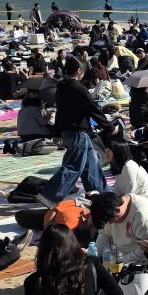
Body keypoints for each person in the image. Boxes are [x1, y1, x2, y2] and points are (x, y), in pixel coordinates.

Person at [48, 57, 109, 202]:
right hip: (77, 131)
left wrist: (57, 131)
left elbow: (60, 111)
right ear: (79, 70)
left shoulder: (61, 87)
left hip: (69, 130)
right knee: (73, 166)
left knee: (91, 162)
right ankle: (50, 195)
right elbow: (92, 109)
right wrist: (109, 126)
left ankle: (99, 192)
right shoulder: (78, 88)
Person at [89, 190, 148, 267]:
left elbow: (146, 249)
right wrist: (94, 256)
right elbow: (104, 234)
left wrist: (122, 261)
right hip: (119, 256)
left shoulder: (141, 217)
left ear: (117, 210)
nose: (109, 224)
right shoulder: (108, 210)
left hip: (142, 263)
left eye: (110, 221)